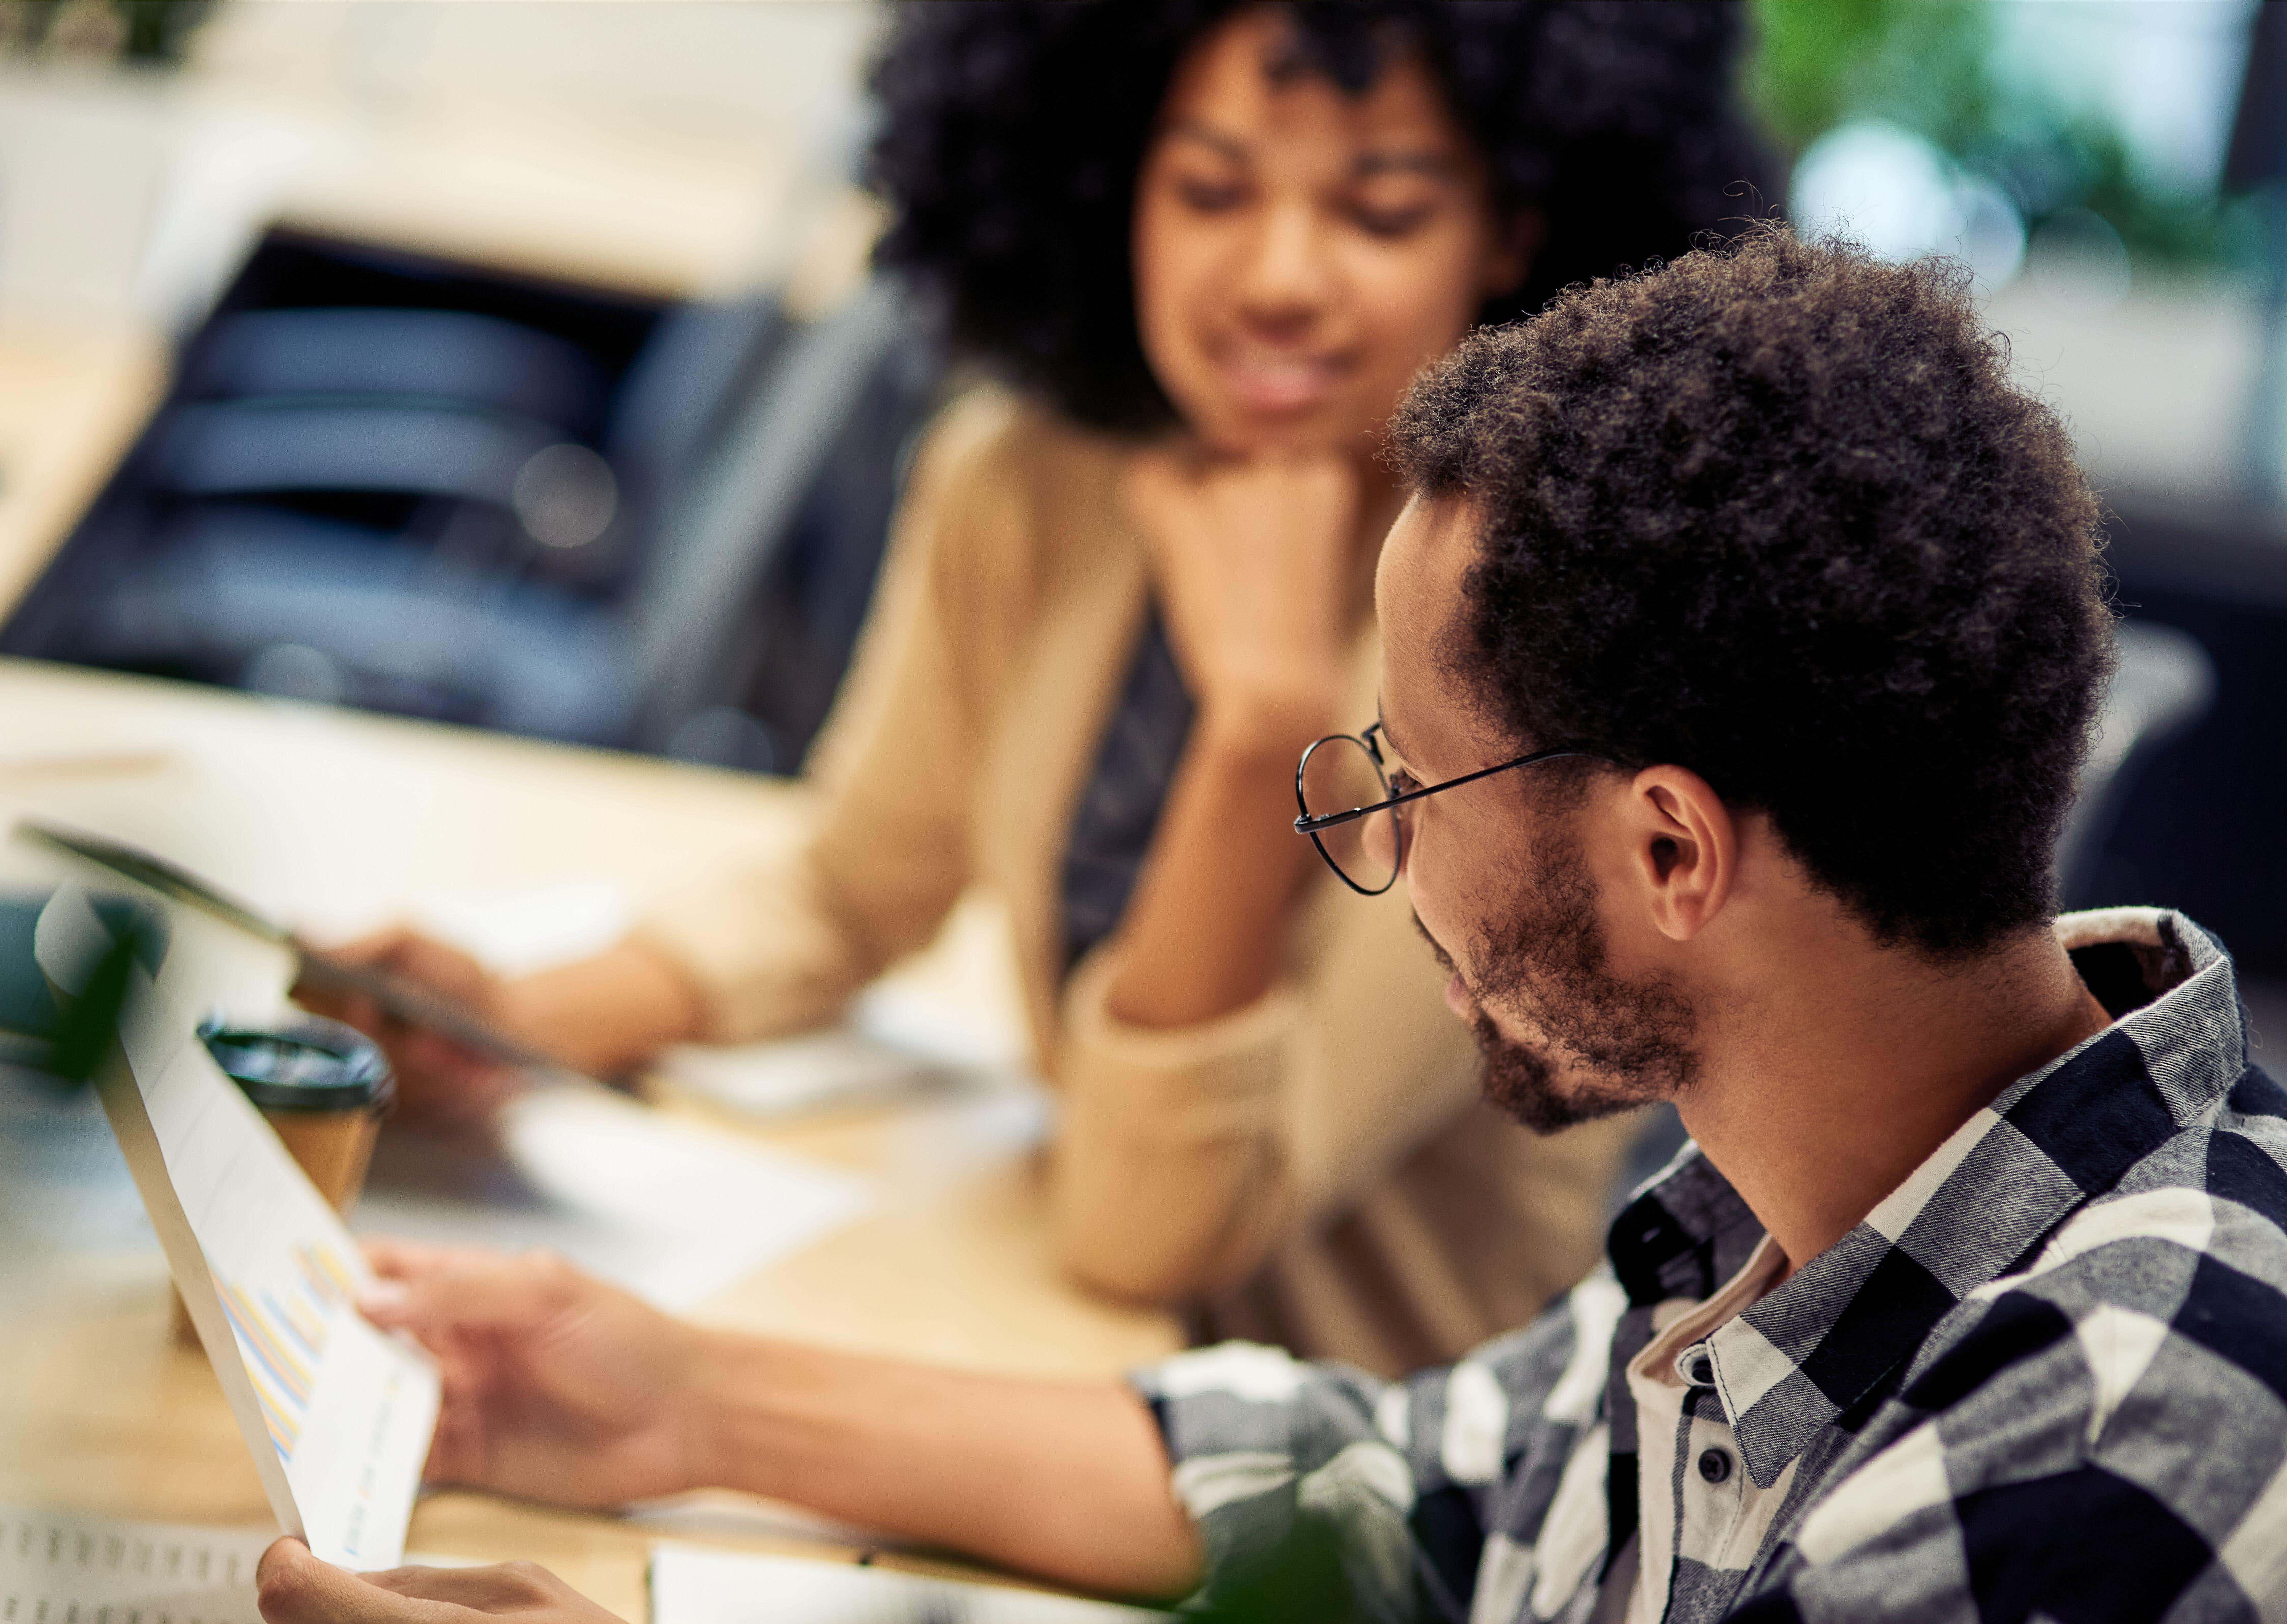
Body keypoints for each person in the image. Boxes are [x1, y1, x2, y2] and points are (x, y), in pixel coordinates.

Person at [252, 228, 2287, 1623]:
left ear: (1674, 853)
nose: (1382, 843)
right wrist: (684, 1398)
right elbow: (1422, 1481)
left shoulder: (2104, 1434)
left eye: (1413, 779)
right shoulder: (1821, 1197)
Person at [303, 0, 1774, 1373]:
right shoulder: (1028, 481)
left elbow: (1167, 1228)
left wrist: (1258, 725)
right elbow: (846, 888)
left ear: (1514, 231)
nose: (1274, 275)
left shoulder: (1542, 638)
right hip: (1048, 1336)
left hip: (1346, 1456)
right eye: (1209, 191)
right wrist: (506, 1021)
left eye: (1377, 212)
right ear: (1107, 186)